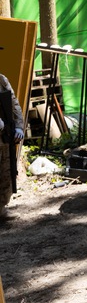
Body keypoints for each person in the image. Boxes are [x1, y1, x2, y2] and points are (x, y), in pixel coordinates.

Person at [0, 73, 24, 221]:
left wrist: (19, 126)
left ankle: (0, 208)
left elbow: (14, 104)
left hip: (4, 137)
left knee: (6, 173)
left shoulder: (2, 79)